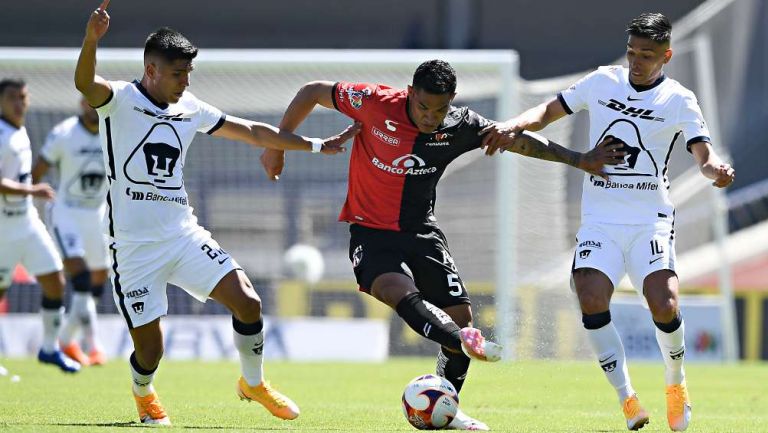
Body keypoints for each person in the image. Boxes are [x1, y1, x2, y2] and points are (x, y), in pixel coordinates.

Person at [261, 59, 622, 431]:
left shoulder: (462, 125)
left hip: (422, 232)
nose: (431, 117)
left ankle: (449, 404)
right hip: (370, 230)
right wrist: (279, 144)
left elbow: (518, 142)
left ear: (452, 100)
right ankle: (463, 340)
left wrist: (579, 159)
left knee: (461, 316)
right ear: (410, 93)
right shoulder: (373, 102)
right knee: (392, 288)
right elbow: (313, 91)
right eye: (423, 107)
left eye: (440, 108)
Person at [75, 0, 359, 425]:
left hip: (182, 235)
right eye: (177, 73)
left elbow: (252, 131)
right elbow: (84, 84)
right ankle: (144, 391)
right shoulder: (118, 100)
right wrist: (90, 40)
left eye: (189, 73)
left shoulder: (191, 107)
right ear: (152, 70)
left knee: (248, 302)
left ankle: (254, 383)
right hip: (132, 249)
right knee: (150, 352)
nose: (185, 82)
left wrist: (316, 145)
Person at [481, 12, 735, 432]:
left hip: (649, 219)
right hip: (600, 219)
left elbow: (704, 157)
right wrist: (513, 124)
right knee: (591, 295)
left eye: (647, 55)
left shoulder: (679, 100)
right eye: (632, 52)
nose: (636, 61)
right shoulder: (602, 81)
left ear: (666, 56)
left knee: (665, 304)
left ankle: (676, 383)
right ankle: (627, 399)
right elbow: (549, 110)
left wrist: (717, 171)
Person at [0, 78, 81, 373]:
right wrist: (32, 191)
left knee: (55, 281)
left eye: (23, 97)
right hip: (2, 229)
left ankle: (49, 348)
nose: (19, 103)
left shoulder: (20, 131)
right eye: (12, 97)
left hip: (27, 222)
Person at [32, 98, 109, 367]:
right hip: (67, 213)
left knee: (98, 280)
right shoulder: (64, 133)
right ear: (81, 104)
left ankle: (66, 339)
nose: (93, 107)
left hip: (98, 215)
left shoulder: (114, 131)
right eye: (89, 102)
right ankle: (94, 345)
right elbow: (37, 171)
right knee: (82, 277)